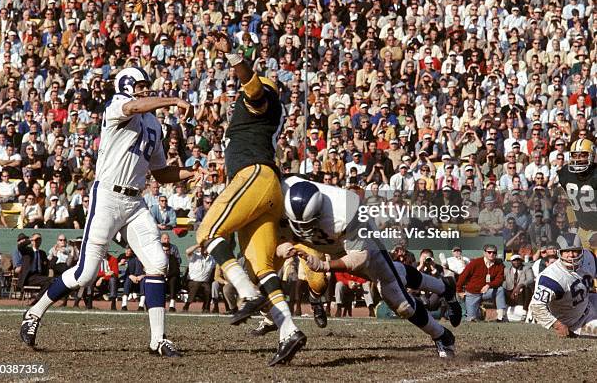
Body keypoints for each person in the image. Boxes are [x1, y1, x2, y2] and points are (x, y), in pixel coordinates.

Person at [21, 67, 195, 358]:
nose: (144, 90)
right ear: (126, 85)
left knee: (157, 262)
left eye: (145, 85)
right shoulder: (118, 105)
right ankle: (34, 313)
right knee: (84, 274)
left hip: (135, 202)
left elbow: (161, 173)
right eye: (139, 85)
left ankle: (158, 339)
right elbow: (134, 105)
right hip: (107, 197)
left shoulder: (153, 123)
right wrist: (174, 101)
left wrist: (192, 173)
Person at [255, 177, 460, 358]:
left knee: (395, 296)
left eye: (307, 224)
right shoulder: (278, 196)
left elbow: (359, 258)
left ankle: (442, 335)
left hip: (361, 246)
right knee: (395, 273)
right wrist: (284, 249)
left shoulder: (346, 210)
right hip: (332, 244)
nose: (301, 230)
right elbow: (277, 237)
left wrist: (326, 265)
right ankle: (444, 286)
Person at [195, 33, 305, 366]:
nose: (239, 97)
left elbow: (254, 90)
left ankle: (247, 293)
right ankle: (289, 330)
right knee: (262, 266)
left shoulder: (259, 97)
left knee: (207, 233)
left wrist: (233, 56)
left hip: (254, 177)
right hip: (265, 186)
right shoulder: (253, 118)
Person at [530, 235, 596, 337]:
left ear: (581, 251)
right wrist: (558, 325)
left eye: (575, 250)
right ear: (559, 253)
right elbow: (536, 306)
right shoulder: (552, 276)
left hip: (588, 304)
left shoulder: (589, 258)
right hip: (575, 322)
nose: (571, 255)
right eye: (566, 251)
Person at [556, 139, 597, 251]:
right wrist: (573, 225)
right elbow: (570, 202)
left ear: (592, 156)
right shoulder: (566, 173)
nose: (578, 159)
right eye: (575, 155)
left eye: (583, 155)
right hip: (582, 230)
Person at [456, 244, 507, 322]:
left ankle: (501, 317)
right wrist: (459, 290)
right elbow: (463, 275)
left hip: (486, 292)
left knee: (500, 290)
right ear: (484, 253)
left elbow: (499, 279)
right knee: (471, 319)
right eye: (489, 252)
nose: (491, 254)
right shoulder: (475, 262)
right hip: (473, 293)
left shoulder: (499, 264)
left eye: (494, 252)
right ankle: (478, 312)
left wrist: (488, 285)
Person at [182, 244, 215, 313]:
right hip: (192, 281)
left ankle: (206, 308)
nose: (205, 249)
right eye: (203, 247)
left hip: (204, 282)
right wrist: (198, 245)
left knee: (208, 288)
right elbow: (187, 251)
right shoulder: (195, 256)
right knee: (196, 285)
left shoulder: (212, 259)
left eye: (207, 248)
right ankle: (186, 305)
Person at [16, 233, 51, 297]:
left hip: (40, 277)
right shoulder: (27, 251)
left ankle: (38, 299)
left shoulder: (42, 253)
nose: (37, 241)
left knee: (50, 281)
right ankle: (39, 299)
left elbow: (47, 266)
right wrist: (31, 239)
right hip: (29, 277)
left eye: (39, 239)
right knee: (50, 280)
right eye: (36, 239)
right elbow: (20, 246)